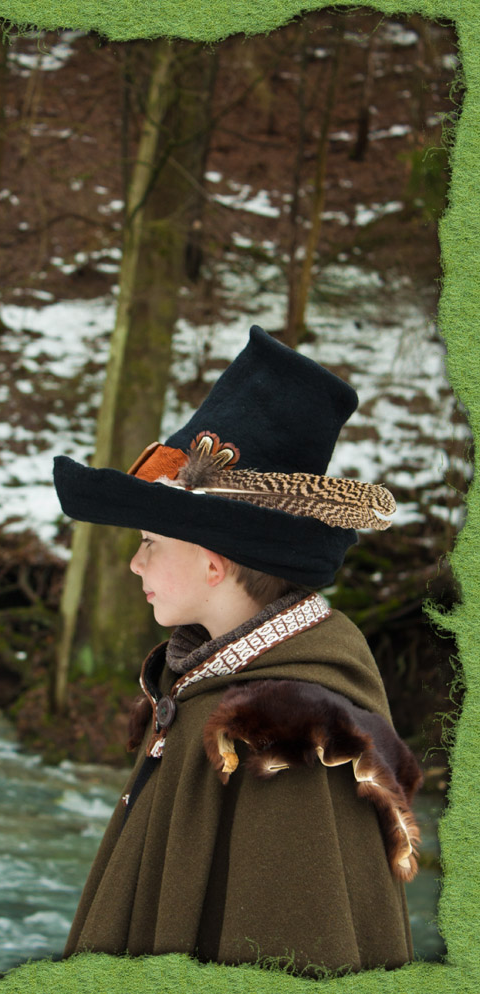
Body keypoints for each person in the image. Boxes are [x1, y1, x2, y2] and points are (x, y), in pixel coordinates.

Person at [52, 325, 422, 974]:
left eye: (150, 543)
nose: (135, 564)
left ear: (211, 562)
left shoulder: (287, 735)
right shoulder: (202, 686)